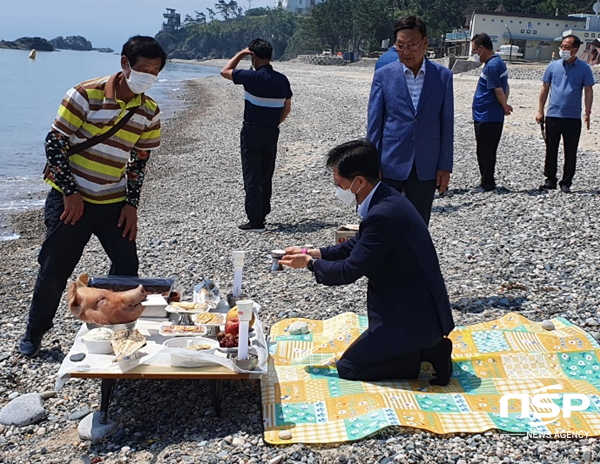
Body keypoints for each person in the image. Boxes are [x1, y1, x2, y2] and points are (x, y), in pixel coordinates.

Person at [18, 36, 166, 357]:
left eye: (155, 72)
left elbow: (139, 161)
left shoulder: (149, 111)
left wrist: (131, 205)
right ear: (124, 63)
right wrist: (70, 193)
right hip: (71, 200)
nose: (149, 77)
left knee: (127, 265)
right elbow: (55, 143)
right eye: (144, 70)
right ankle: (34, 333)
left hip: (113, 201)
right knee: (54, 268)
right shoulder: (85, 94)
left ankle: (112, 322)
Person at [280, 140, 455, 384]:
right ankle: (428, 348)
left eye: (340, 184)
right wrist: (315, 252)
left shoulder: (382, 214)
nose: (338, 190)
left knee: (350, 368)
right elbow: (358, 245)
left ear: (359, 181)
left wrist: (309, 264)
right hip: (412, 304)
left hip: (410, 314)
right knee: (358, 360)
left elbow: (350, 270)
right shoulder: (387, 198)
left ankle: (427, 354)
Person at [367, 16, 453, 226]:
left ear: (425, 43)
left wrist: (445, 166)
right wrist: (370, 165)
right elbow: (374, 124)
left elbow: (446, 123)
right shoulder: (383, 75)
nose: (406, 51)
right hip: (389, 162)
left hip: (426, 164)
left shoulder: (442, 76)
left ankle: (415, 260)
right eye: (400, 45)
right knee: (384, 222)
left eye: (412, 45)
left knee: (419, 224)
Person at [221, 38, 293, 232]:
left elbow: (224, 72)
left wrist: (240, 54)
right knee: (266, 173)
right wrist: (275, 122)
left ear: (254, 57)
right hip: (271, 131)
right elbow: (287, 108)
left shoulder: (251, 77)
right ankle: (263, 210)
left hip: (252, 129)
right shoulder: (282, 79)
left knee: (252, 174)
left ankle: (255, 220)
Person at [536, 34, 594, 193]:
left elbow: (588, 91)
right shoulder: (553, 67)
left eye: (567, 47)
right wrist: (540, 110)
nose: (563, 50)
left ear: (575, 50)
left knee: (571, 150)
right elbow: (544, 89)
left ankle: (566, 181)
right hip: (553, 115)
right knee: (551, 149)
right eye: (562, 46)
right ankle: (550, 180)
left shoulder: (584, 69)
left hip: (573, 117)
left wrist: (588, 112)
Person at [471, 33, 513, 192]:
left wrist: (504, 106)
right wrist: (505, 104)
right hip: (485, 114)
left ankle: (487, 182)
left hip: (488, 116)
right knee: (485, 149)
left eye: (475, 50)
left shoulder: (493, 66)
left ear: (482, 48)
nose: (474, 54)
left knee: (485, 150)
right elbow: (506, 86)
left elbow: (498, 89)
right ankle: (486, 180)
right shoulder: (496, 63)